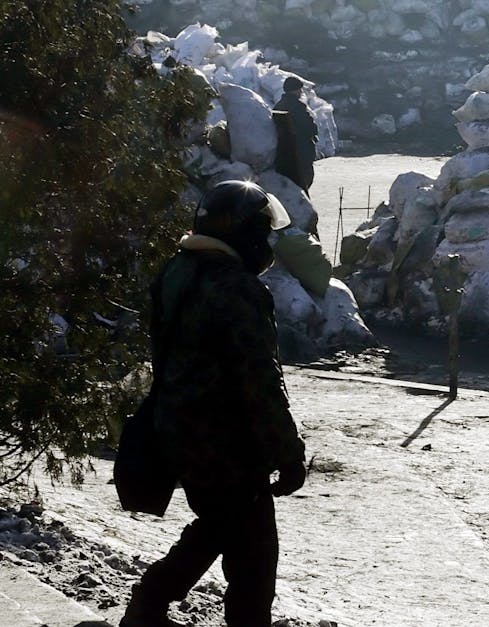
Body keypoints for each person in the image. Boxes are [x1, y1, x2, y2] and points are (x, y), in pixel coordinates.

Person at [123, 181, 308, 627]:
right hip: (226, 441)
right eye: (261, 232)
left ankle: (148, 604)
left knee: (219, 527)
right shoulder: (236, 288)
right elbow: (259, 380)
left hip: (180, 429)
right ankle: (152, 603)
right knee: (255, 554)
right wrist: (288, 451)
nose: (266, 242)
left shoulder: (179, 271)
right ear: (243, 233)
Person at [272, 76, 318, 192]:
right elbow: (309, 128)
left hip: (284, 153)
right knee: (304, 182)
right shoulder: (298, 107)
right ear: (296, 90)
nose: (301, 92)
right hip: (301, 151)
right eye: (300, 89)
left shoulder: (278, 106)